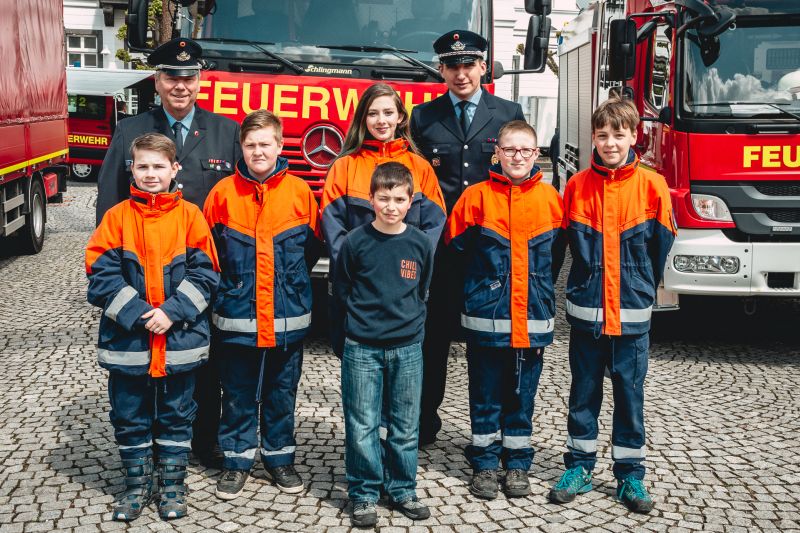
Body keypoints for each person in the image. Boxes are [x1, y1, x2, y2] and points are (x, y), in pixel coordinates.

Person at [96, 37, 242, 469]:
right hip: (141, 276)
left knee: (204, 361)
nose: (181, 85)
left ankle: (203, 441)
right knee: (141, 368)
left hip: (198, 273)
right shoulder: (130, 131)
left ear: (201, 81)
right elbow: (109, 205)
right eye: (171, 77)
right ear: (157, 81)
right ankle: (150, 445)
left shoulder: (226, 131)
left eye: (189, 77)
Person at [548, 97, 676, 513]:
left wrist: (638, 286)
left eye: (618, 135)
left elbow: (662, 246)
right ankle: (580, 466)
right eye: (602, 135)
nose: (609, 142)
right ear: (594, 138)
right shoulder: (577, 185)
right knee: (583, 394)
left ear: (633, 135)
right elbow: (563, 248)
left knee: (629, 395)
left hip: (632, 315)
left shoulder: (652, 185)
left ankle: (629, 475)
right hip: (586, 314)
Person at [85, 133, 220, 521]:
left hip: (178, 342)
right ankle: (136, 485)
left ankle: (173, 485)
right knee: (129, 415)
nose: (150, 173)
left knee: (177, 415)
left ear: (174, 169)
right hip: (129, 343)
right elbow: (100, 275)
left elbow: (207, 274)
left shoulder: (191, 217)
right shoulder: (117, 218)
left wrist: (172, 313)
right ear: (132, 168)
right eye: (142, 166)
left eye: (159, 166)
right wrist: (145, 314)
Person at [410, 29, 526, 446]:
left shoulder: (509, 111)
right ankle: (425, 420)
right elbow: (418, 186)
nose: (461, 74)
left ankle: (491, 429)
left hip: (490, 248)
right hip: (441, 248)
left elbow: (519, 173)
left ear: (483, 67)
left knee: (491, 340)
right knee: (434, 337)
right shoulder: (423, 117)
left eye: (468, 65)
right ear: (441, 70)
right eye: (452, 66)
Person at [203, 110, 321, 500]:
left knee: (281, 392)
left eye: (265, 143)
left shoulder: (301, 192)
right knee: (236, 394)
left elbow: (311, 248)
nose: (258, 151)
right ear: (241, 147)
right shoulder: (221, 194)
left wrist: (287, 284)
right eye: (250, 144)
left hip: (288, 316)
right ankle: (236, 462)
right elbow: (209, 256)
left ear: (279, 144)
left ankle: (279, 459)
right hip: (237, 318)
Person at [445, 120, 563, 499]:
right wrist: (481, 291)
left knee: (522, 394)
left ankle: (516, 464)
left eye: (525, 150)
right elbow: (455, 255)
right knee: (485, 393)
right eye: (509, 149)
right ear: (496, 152)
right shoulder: (475, 198)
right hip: (487, 317)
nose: (517, 157)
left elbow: (556, 258)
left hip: (532, 316)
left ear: (536, 155)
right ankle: (483, 462)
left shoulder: (550, 200)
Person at [334, 162, 435, 527]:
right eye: (383, 198)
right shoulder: (355, 243)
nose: (391, 206)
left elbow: (423, 289)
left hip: (408, 347)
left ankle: (403, 487)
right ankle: (363, 492)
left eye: (398, 199)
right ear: (371, 199)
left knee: (406, 425)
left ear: (410, 201)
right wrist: (351, 330)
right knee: (361, 423)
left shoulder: (421, 243)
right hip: (362, 346)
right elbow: (342, 289)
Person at [321, 82, 446, 356]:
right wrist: (364, 272)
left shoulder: (420, 168)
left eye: (388, 113)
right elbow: (333, 230)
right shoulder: (344, 167)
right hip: (359, 293)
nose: (381, 121)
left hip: (404, 294)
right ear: (363, 118)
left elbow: (432, 231)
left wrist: (408, 278)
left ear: (400, 116)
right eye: (373, 113)